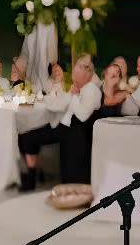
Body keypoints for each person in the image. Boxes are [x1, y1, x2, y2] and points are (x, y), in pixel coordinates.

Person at [18, 54, 101, 190]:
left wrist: (73, 95)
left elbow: (82, 115)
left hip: (72, 131)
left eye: (79, 67)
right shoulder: (76, 87)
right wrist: (70, 95)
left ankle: (33, 177)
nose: (74, 70)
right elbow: (59, 105)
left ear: (89, 72)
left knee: (28, 136)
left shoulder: (92, 90)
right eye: (75, 67)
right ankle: (32, 175)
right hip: (60, 126)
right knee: (26, 136)